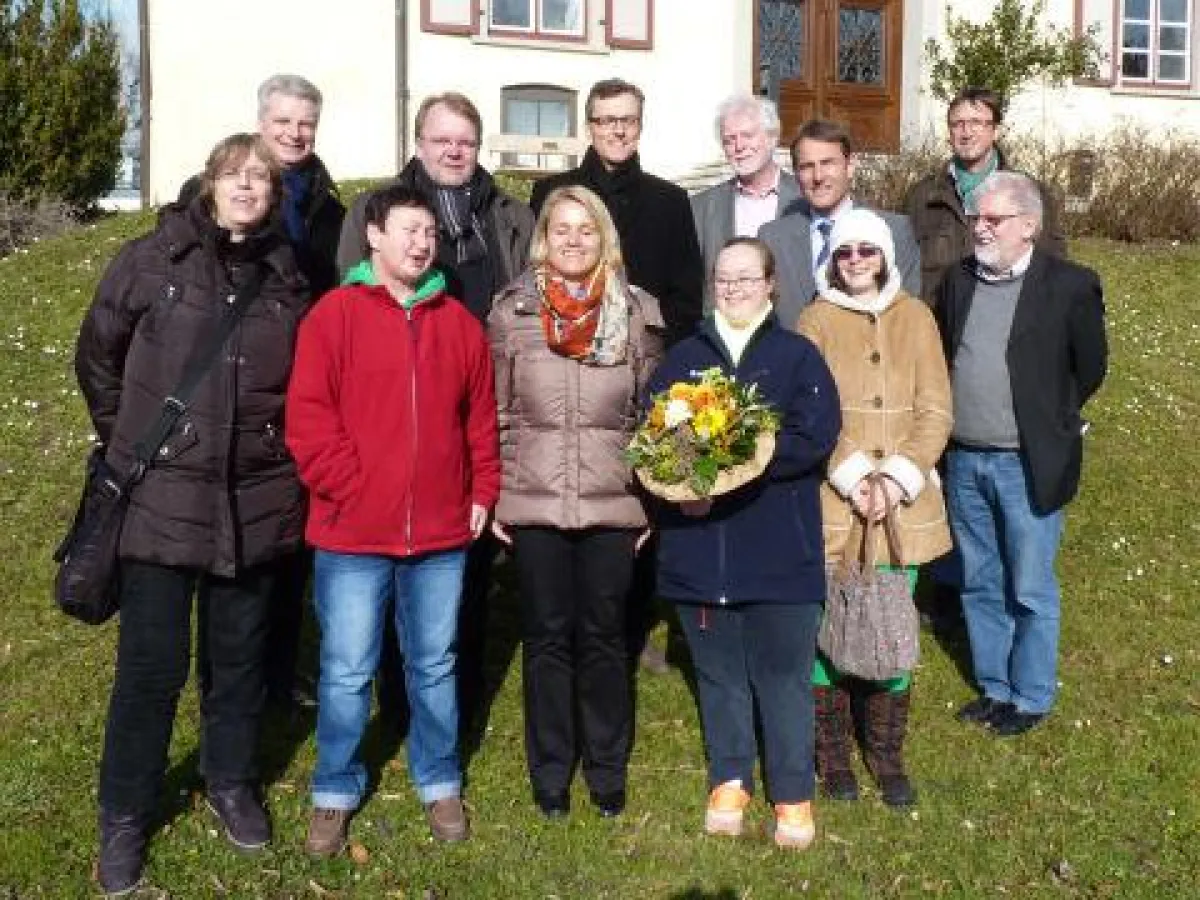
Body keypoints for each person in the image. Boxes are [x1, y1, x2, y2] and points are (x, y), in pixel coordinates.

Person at [76, 133, 310, 895]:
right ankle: (124, 814)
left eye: (261, 178)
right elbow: (98, 354)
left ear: (274, 194)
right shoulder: (153, 260)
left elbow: (305, 383)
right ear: (209, 183)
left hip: (256, 496)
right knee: (151, 669)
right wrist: (134, 440)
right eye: (234, 175)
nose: (247, 187)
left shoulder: (287, 277)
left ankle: (230, 781)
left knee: (238, 663)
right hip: (162, 497)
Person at [287, 184, 500, 853]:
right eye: (408, 229)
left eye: (429, 233)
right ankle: (334, 787)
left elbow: (480, 421)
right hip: (351, 534)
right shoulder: (333, 316)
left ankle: (438, 778)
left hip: (439, 534)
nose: (421, 242)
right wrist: (349, 488)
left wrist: (482, 490)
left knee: (434, 665)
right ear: (374, 236)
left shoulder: (458, 325)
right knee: (348, 669)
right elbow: (309, 418)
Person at [336, 92, 533, 734]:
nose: (454, 151)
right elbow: (351, 299)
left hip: (482, 394)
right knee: (394, 568)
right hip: (399, 407)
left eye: (465, 141)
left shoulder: (508, 214)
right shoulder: (375, 210)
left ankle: (457, 696)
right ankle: (398, 700)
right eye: (442, 140)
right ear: (419, 144)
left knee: (466, 562)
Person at [650, 237, 841, 848]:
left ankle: (792, 791)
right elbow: (655, 438)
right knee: (720, 676)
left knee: (784, 677)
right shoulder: (682, 359)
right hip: (701, 550)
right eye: (723, 278)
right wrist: (685, 479)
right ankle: (730, 777)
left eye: (745, 277)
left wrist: (742, 460)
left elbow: (816, 435)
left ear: (770, 285)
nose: (732, 288)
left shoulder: (797, 357)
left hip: (780, 549)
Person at [488, 185, 664, 819]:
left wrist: (647, 499)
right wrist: (501, 494)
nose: (572, 240)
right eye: (560, 228)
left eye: (585, 229)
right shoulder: (512, 311)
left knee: (604, 638)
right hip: (534, 501)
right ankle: (551, 771)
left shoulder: (636, 311)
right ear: (543, 237)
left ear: (604, 238)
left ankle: (606, 768)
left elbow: (652, 415)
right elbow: (497, 410)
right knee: (546, 639)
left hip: (612, 503)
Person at [177, 73, 345, 713]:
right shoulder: (215, 198)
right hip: (228, 382)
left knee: (288, 536)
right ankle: (220, 677)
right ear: (261, 121)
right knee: (223, 543)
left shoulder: (328, 204)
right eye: (283, 122)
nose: (295, 133)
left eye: (306, 123)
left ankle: (280, 667)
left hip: (298, 379)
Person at [531, 77, 705, 674]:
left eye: (627, 119)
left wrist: (660, 366)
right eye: (606, 120)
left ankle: (630, 627)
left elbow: (685, 300)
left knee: (635, 498)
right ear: (589, 125)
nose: (617, 130)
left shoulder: (668, 201)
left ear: (640, 125)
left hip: (641, 373)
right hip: (565, 369)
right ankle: (567, 627)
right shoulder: (553, 194)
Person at [935, 172, 1106, 737]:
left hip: (1026, 462)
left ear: (1028, 226)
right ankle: (996, 688)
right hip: (965, 459)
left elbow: (1091, 367)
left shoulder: (1070, 285)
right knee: (980, 580)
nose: (980, 228)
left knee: (1029, 585)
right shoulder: (959, 280)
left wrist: (1049, 419)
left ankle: (1031, 696)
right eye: (976, 218)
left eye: (994, 219)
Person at [796, 208, 953, 807]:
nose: (856, 260)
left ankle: (886, 753)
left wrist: (898, 478)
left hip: (902, 507)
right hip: (838, 502)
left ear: (885, 255)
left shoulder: (916, 317)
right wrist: (855, 476)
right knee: (831, 623)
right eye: (844, 251)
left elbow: (935, 407)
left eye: (866, 250)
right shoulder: (815, 319)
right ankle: (833, 753)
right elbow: (808, 408)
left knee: (891, 622)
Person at [905, 87, 1066, 303]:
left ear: (995, 131)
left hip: (1002, 314)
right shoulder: (923, 196)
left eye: (976, 123)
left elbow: (1052, 266)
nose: (966, 133)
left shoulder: (1027, 193)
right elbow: (903, 268)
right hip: (935, 318)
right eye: (957, 124)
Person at [758, 119, 920, 328]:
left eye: (828, 163)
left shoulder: (893, 230)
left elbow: (905, 317)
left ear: (850, 166)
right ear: (796, 174)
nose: (818, 177)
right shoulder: (772, 238)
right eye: (807, 166)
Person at [690, 94, 801, 311]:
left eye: (747, 135)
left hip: (790, 324)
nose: (739, 146)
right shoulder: (701, 208)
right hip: (725, 325)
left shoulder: (803, 199)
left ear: (772, 137)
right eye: (729, 140)